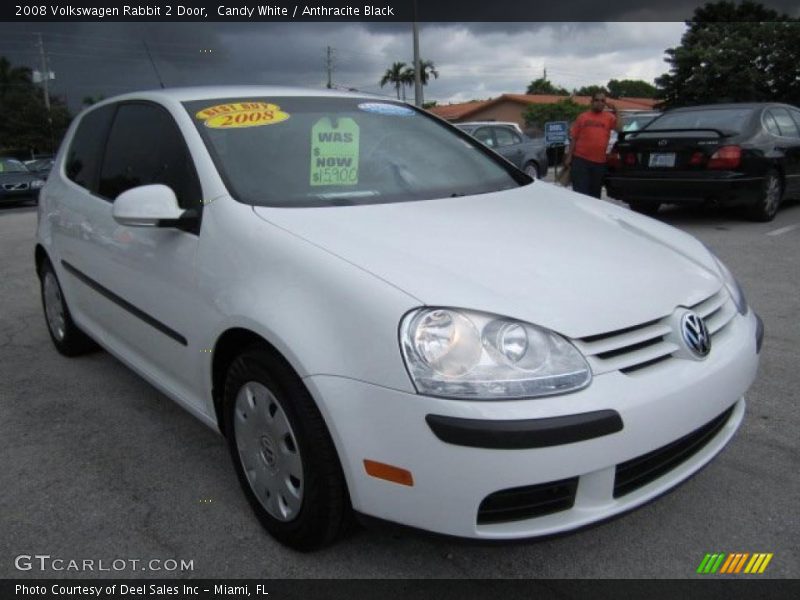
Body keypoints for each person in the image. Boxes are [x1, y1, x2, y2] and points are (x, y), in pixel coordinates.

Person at [564, 92, 622, 198]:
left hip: (599, 163)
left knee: (594, 196)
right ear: (592, 102)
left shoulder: (609, 117)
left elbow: (620, 129)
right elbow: (574, 138)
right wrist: (569, 157)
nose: (600, 103)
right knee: (580, 194)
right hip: (581, 161)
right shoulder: (582, 117)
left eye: (602, 101)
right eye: (597, 100)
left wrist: (616, 110)